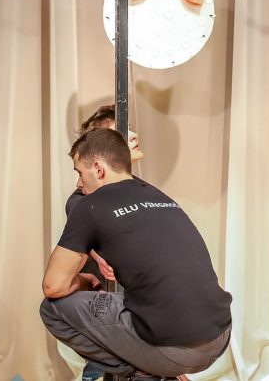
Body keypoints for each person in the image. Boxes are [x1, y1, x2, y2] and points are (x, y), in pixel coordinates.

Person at [40, 128, 232, 381]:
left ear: (98, 169)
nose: (78, 183)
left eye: (79, 172)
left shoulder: (90, 205)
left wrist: (85, 280)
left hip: (177, 351)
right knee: (133, 298)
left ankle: (145, 373)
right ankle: (159, 368)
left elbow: (53, 286)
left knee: (51, 309)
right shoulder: (158, 196)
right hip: (220, 336)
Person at [61, 105, 146, 381]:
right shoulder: (81, 199)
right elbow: (94, 238)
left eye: (130, 128)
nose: (133, 135)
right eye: (123, 132)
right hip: (105, 308)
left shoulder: (138, 191)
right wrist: (100, 256)